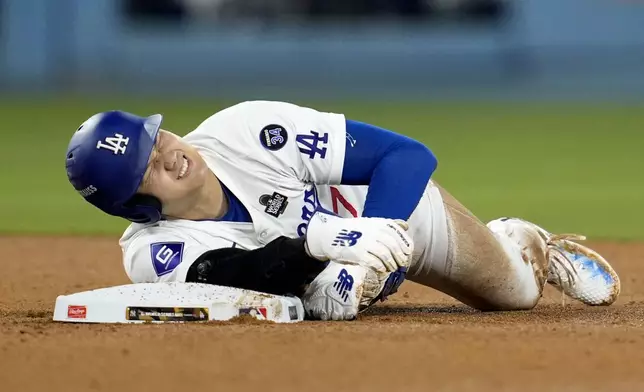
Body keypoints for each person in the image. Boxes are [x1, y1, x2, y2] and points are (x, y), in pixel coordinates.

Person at [64, 101, 621, 320]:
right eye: (149, 166)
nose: (172, 155)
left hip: (396, 215)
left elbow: (406, 155)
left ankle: (518, 241)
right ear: (136, 204)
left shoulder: (247, 130)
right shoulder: (151, 253)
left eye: (156, 139)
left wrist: (371, 243)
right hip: (324, 265)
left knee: (515, 297)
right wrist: (317, 251)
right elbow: (243, 275)